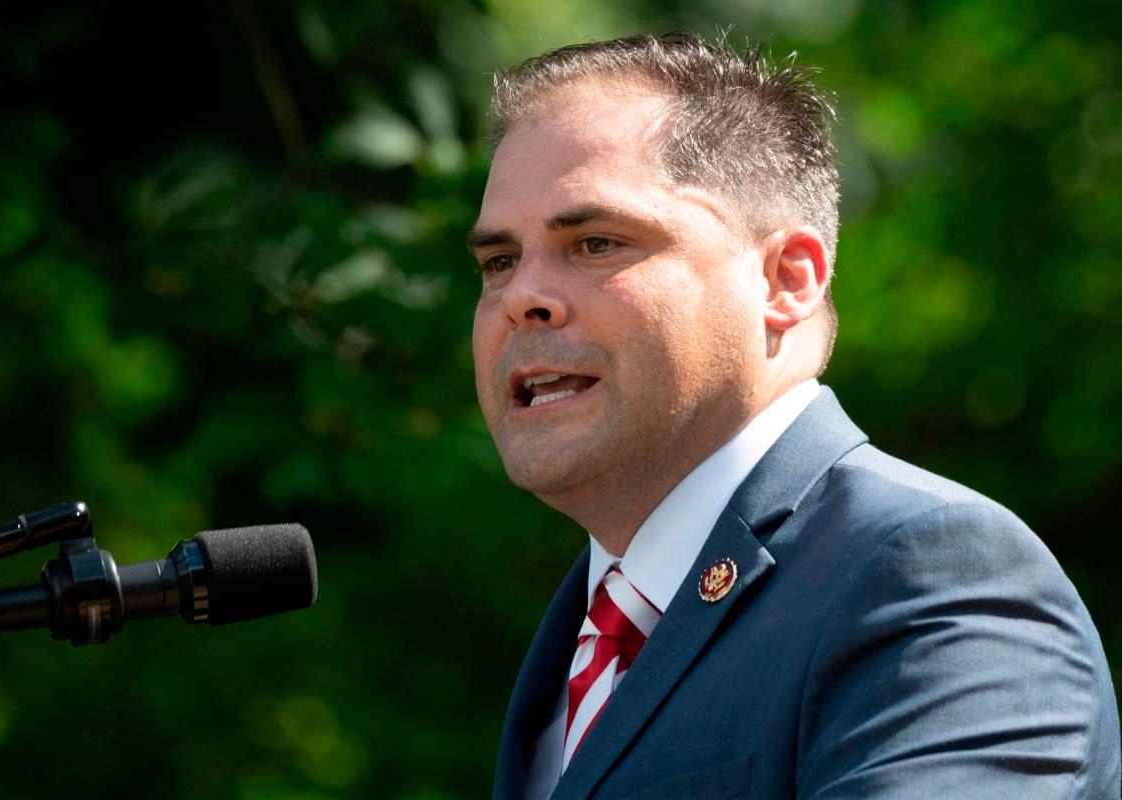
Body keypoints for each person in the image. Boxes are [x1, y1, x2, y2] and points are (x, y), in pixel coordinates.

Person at [468, 32, 1120, 799]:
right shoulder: (584, 640)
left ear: (785, 279)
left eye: (597, 242)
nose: (520, 297)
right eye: (498, 262)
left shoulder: (931, 575)